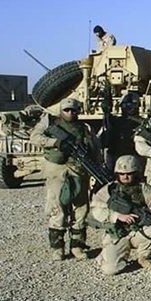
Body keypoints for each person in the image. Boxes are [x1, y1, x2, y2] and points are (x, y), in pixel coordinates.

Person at [30, 98, 100, 260]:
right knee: (58, 207)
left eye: (73, 110)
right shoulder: (50, 123)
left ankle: (77, 246)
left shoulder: (85, 128)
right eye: (66, 110)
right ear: (61, 111)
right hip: (57, 170)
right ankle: (57, 248)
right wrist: (56, 143)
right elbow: (35, 137)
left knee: (81, 209)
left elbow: (95, 149)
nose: (70, 113)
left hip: (79, 170)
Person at [91, 155, 151, 275]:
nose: (125, 176)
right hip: (117, 235)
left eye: (129, 173)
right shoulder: (109, 189)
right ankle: (106, 254)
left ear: (136, 173)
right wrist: (116, 216)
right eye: (122, 174)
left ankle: (144, 258)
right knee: (110, 270)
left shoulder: (143, 188)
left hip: (137, 231)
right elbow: (95, 210)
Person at [102, 92, 144, 170]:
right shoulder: (115, 121)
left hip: (135, 158)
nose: (128, 108)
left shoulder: (143, 123)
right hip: (116, 157)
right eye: (126, 106)